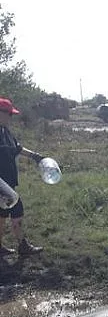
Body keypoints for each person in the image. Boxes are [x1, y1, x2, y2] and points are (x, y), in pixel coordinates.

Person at [0, 97, 43, 256]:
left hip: (8, 181)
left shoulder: (5, 131)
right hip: (1, 183)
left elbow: (18, 148)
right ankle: (23, 246)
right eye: (9, 114)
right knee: (17, 209)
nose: (11, 117)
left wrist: (36, 156)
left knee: (2, 214)